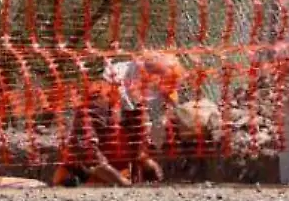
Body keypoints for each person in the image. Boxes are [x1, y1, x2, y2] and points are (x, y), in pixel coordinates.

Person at [54, 51, 190, 187]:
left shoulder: (135, 104)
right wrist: (123, 184)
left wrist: (147, 163)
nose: (160, 99)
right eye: (159, 92)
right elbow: (86, 152)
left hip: (116, 183)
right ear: (142, 80)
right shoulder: (100, 97)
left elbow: (135, 148)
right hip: (80, 183)